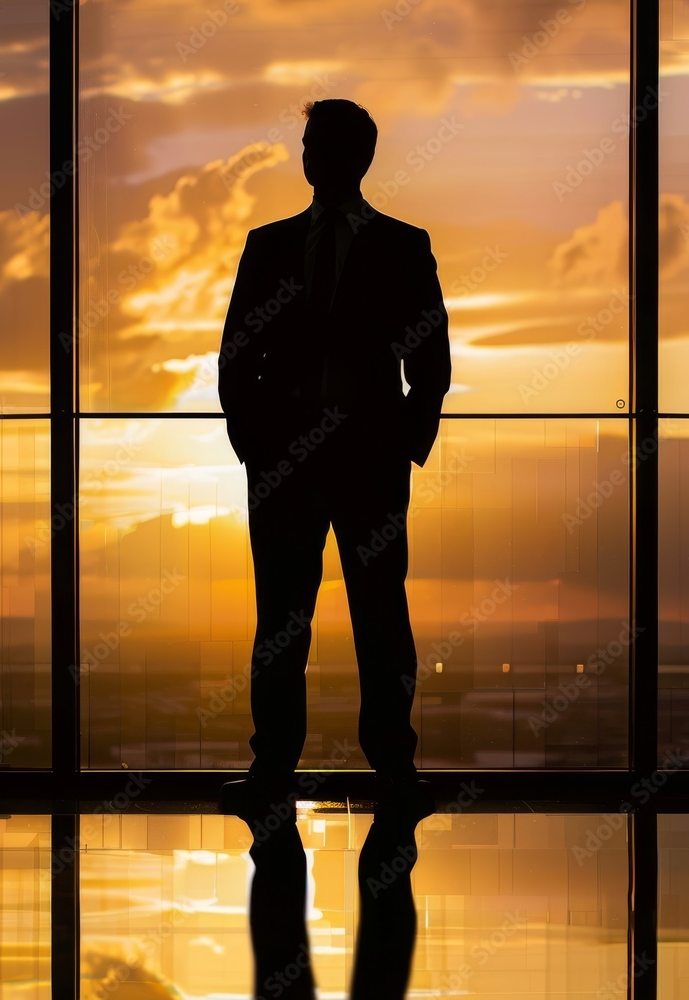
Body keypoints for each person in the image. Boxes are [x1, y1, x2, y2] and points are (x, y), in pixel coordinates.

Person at [217, 98, 451, 826]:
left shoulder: (404, 246)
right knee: (282, 619)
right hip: (285, 464)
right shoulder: (270, 244)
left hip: (366, 463)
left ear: (354, 157)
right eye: (308, 143)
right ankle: (273, 764)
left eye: (318, 144)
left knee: (379, 613)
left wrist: (404, 445)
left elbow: (432, 361)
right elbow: (234, 356)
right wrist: (255, 447)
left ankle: (392, 763)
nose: (308, 156)